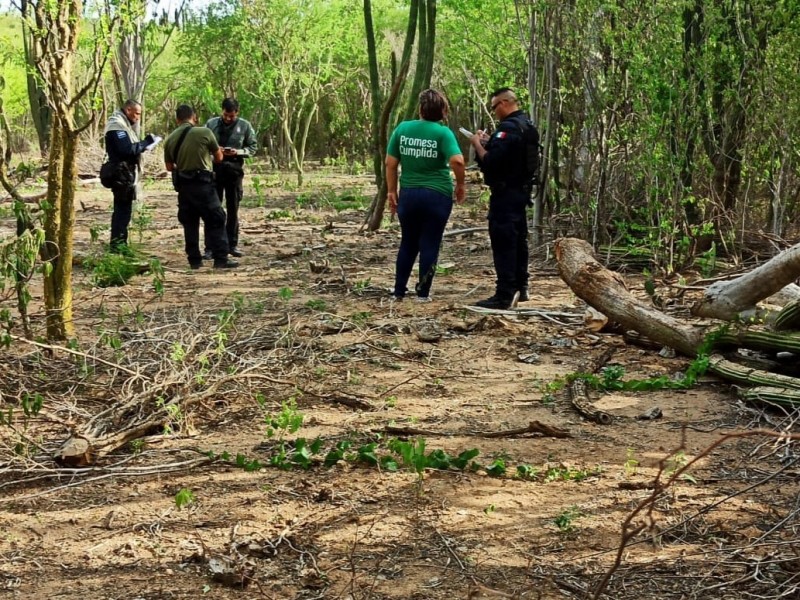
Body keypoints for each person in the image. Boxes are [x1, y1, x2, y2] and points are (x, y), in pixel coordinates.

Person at [386, 88, 466, 302]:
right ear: (443, 111)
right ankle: (423, 293)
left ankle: (399, 291)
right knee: (430, 242)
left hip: (409, 194)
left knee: (408, 242)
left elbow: (390, 163)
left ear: (420, 108)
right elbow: (457, 160)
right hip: (437, 195)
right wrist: (460, 184)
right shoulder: (443, 133)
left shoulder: (402, 129)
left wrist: (392, 190)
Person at [469, 88, 538, 309]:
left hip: (505, 194)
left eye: (494, 107)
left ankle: (505, 294)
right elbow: (511, 155)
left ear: (504, 103)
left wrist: (477, 143)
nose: (494, 112)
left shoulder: (508, 128)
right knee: (518, 240)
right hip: (521, 192)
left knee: (504, 241)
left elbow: (491, 161)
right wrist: (491, 141)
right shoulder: (527, 125)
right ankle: (521, 287)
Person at [163, 104, 238, 270]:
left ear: (177, 120)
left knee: (190, 223)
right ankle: (220, 259)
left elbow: (169, 167)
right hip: (203, 184)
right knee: (216, 219)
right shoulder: (204, 132)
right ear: (194, 117)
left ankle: (194, 260)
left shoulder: (170, 139)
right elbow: (218, 158)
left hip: (184, 187)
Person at [203, 98, 258, 259]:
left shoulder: (245, 126)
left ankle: (231, 245)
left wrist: (238, 152)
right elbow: (203, 145)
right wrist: (215, 151)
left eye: (231, 116)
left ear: (237, 113)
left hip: (234, 171)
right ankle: (210, 247)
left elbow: (253, 147)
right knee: (213, 209)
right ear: (222, 111)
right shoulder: (211, 124)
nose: (228, 119)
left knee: (233, 209)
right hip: (215, 170)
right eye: (226, 115)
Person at [103, 99, 156, 252]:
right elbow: (127, 150)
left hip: (126, 173)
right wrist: (146, 142)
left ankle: (120, 244)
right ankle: (117, 246)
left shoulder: (124, 125)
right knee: (122, 211)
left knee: (124, 211)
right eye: (137, 113)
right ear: (128, 110)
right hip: (120, 174)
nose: (138, 117)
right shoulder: (116, 125)